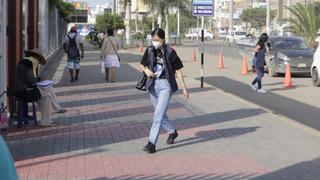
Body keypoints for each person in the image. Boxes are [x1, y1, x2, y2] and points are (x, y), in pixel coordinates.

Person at [140, 28, 189, 153]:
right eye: (153, 39)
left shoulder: (170, 52)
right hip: (152, 85)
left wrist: (184, 88)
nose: (155, 42)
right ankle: (172, 132)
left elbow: (178, 70)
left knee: (157, 116)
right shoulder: (150, 49)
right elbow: (142, 64)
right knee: (160, 114)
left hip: (166, 85)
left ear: (163, 39)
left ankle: (151, 143)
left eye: (157, 40)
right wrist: (145, 70)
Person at [13, 48, 67, 127]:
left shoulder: (24, 61)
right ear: (36, 57)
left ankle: (46, 121)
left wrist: (37, 78)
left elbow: (28, 78)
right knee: (49, 87)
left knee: (47, 97)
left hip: (22, 90)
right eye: (39, 60)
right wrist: (39, 79)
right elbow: (30, 79)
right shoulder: (29, 63)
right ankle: (57, 108)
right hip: (24, 92)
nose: (38, 63)